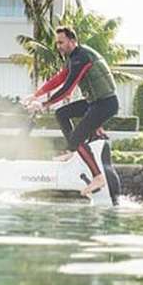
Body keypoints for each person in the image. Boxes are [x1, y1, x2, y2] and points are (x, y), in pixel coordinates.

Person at [23, 26, 119, 196]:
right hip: (94, 102)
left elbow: (67, 89)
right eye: (57, 43)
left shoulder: (82, 57)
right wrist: (36, 95)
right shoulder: (73, 57)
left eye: (61, 42)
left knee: (76, 139)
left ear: (72, 41)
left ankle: (98, 177)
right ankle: (73, 151)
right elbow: (59, 79)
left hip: (105, 103)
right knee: (62, 113)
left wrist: (44, 105)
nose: (58, 46)